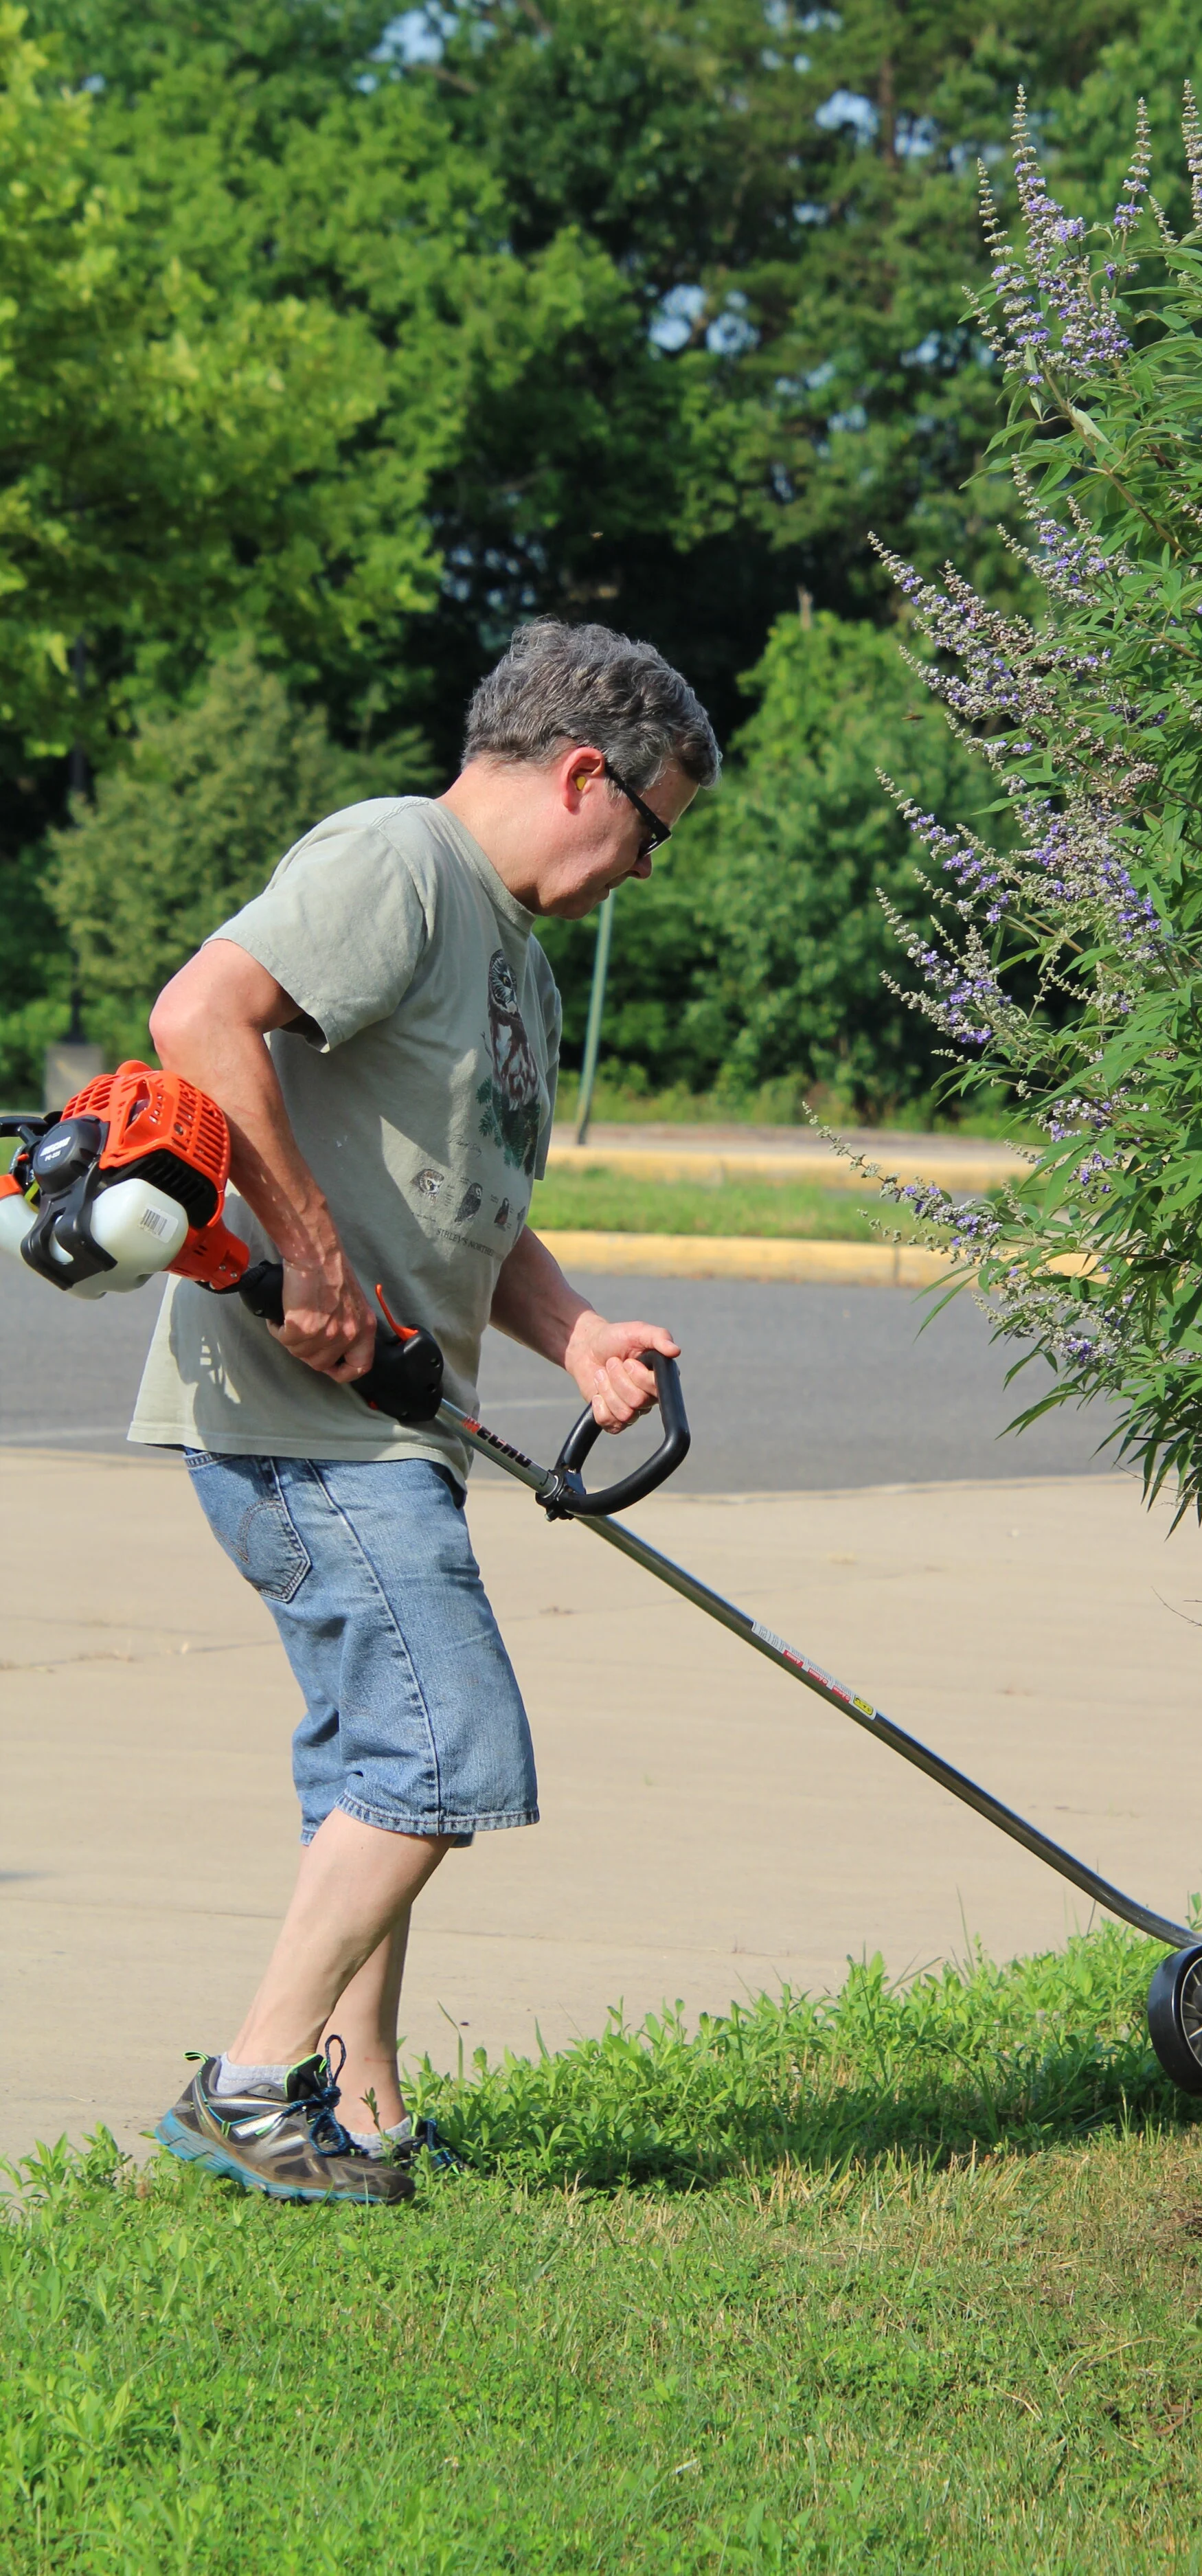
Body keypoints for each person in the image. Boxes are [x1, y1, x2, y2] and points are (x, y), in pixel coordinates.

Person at [131, 620, 718, 2204]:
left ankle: (363, 2109)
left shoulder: (512, 955)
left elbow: (465, 1199)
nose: (643, 869)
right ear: (584, 774)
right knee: (445, 1743)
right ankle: (250, 2087)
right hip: (302, 1411)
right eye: (652, 830)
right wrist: (311, 1256)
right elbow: (199, 1015)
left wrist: (574, 1331)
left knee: (370, 1769)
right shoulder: (399, 859)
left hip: (393, 1421)